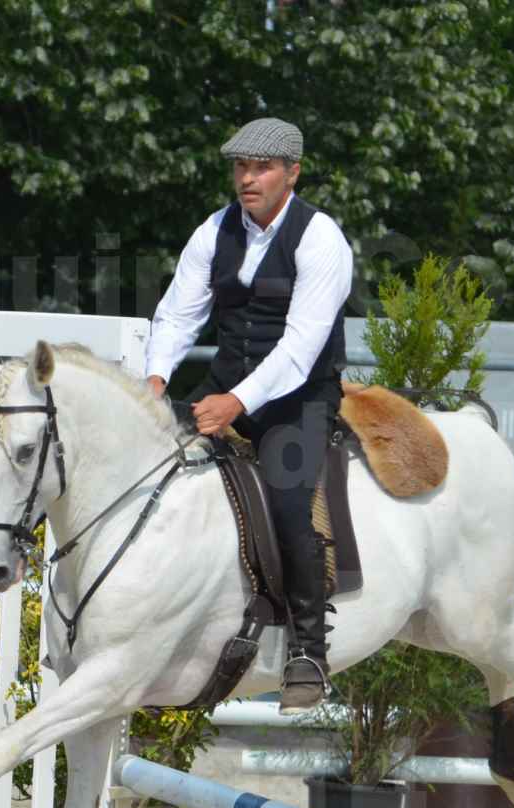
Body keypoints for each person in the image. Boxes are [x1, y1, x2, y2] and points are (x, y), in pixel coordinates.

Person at [144, 116, 354, 711]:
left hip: (299, 396)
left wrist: (235, 403)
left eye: (260, 167)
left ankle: (308, 651)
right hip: (224, 386)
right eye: (240, 167)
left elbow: (299, 347)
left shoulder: (321, 239)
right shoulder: (213, 231)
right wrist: (157, 379)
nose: (247, 178)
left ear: (293, 171)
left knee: (289, 500)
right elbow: (179, 315)